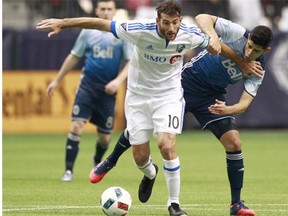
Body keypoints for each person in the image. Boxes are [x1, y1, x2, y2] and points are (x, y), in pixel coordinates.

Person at [37, 1, 225, 215]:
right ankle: (150, 174)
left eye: (175, 23)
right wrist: (64, 22)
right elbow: (100, 24)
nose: (171, 29)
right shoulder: (139, 30)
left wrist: (235, 55)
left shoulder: (190, 34)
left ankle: (174, 204)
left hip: (168, 97)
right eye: (166, 23)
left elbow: (217, 39)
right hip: (137, 98)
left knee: (166, 144)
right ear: (157, 21)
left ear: (180, 21)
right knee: (140, 157)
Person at [86, 14, 273, 216]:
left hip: (211, 97)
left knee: (234, 143)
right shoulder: (237, 33)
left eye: (255, 50)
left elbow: (244, 104)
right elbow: (203, 18)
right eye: (249, 45)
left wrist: (229, 109)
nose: (249, 51)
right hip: (183, 83)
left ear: (266, 51)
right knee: (142, 127)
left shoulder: (258, 69)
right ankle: (111, 161)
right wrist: (219, 42)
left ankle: (236, 205)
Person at [45, 0, 132, 182]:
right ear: (96, 11)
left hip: (108, 92)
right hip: (87, 87)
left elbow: (131, 62)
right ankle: (68, 171)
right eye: (103, 9)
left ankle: (97, 163)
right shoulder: (88, 31)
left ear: (114, 11)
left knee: (104, 138)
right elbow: (74, 56)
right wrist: (57, 80)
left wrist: (118, 81)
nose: (106, 12)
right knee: (76, 126)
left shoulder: (120, 33)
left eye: (109, 9)